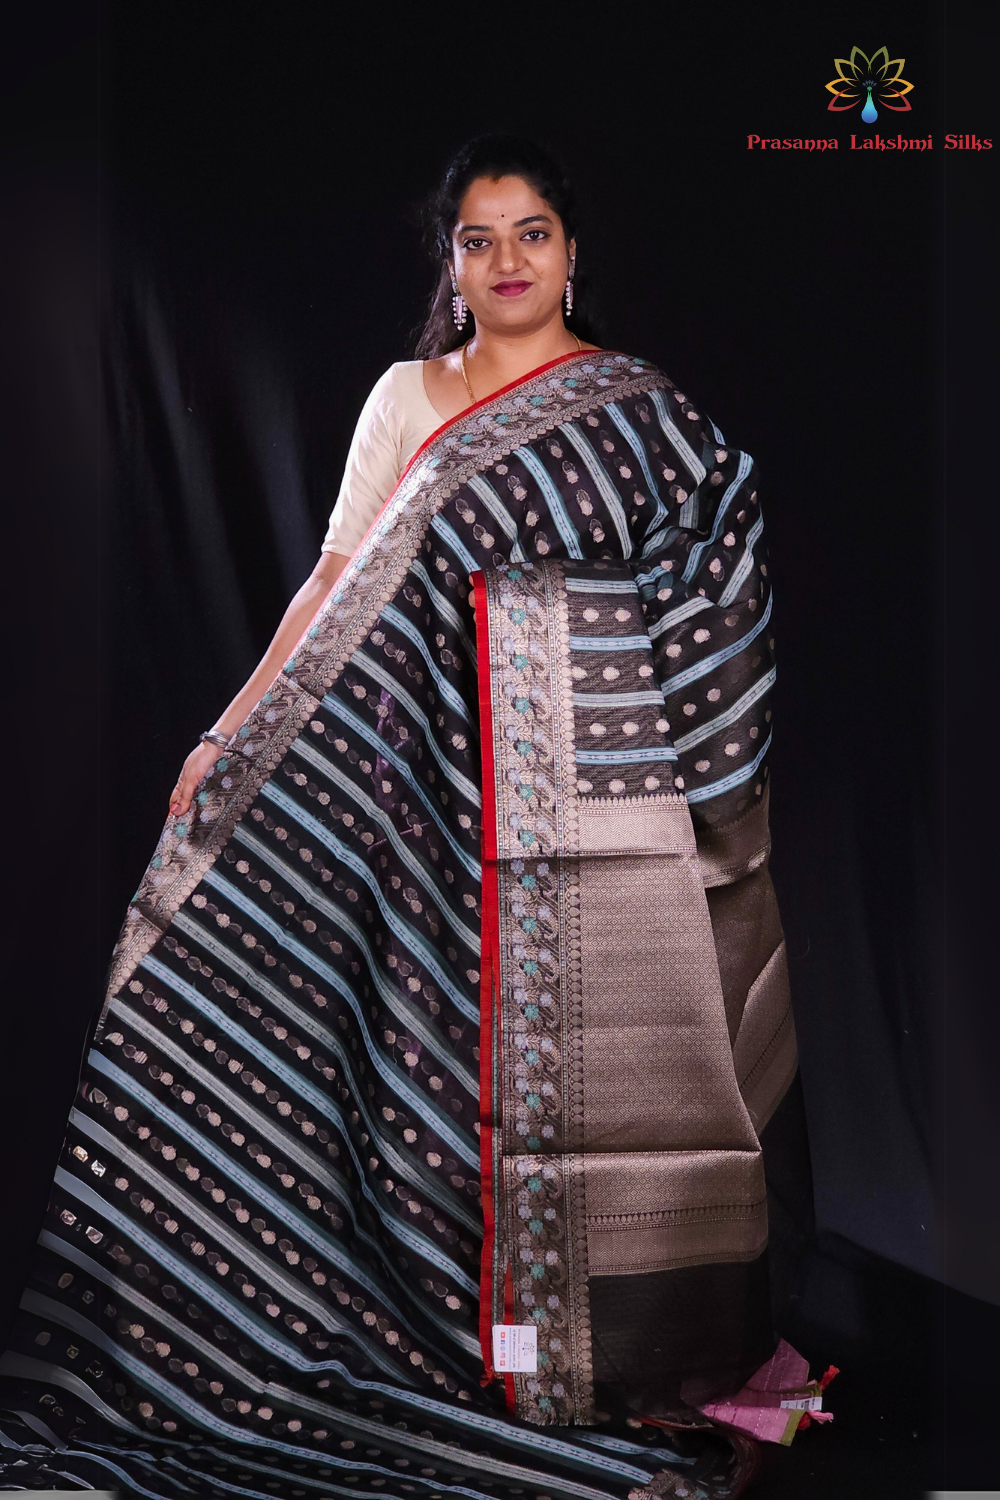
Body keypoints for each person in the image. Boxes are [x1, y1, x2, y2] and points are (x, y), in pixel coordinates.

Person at [0, 135, 812, 1499]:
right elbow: (335, 583)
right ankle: (399, 1330)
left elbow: (716, 566)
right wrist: (228, 732)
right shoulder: (406, 396)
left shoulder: (641, 411)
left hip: (581, 819)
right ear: (453, 262)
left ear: (572, 253)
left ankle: (585, 1355)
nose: (508, 261)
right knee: (396, 1052)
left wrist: (580, 678)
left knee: (567, 1077)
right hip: (409, 795)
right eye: (479, 239)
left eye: (532, 233)